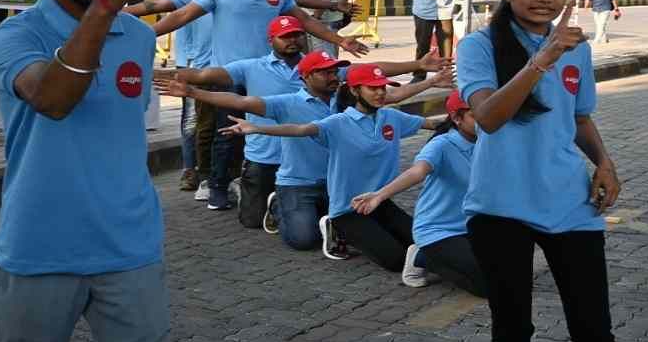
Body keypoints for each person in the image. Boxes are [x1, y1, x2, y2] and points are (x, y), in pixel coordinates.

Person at [0, 0, 166, 342]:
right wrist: (105, 8)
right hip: (39, 251)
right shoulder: (14, 37)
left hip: (130, 250)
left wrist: (111, 14)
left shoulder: (137, 36)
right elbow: (53, 98)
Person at [456, 0, 622, 342]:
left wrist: (604, 163)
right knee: (513, 333)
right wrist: (541, 60)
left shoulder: (576, 49)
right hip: (500, 207)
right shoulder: (478, 45)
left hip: (570, 204)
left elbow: (580, 118)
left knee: (594, 333)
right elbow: (487, 117)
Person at [148, 0, 369, 212]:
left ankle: (263, 183)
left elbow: (305, 20)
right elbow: (183, 15)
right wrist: (145, 35)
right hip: (227, 75)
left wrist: (341, 41)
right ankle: (217, 186)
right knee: (225, 133)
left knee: (267, 132)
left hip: (265, 75)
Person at [158, 49, 449, 249]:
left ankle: (329, 217)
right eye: (324, 72)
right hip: (299, 182)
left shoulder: (346, 100)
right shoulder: (286, 102)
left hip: (337, 184)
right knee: (302, 240)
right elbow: (243, 103)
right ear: (305, 77)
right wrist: (195, 92)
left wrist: (431, 79)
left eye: (335, 71)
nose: (333, 76)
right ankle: (278, 204)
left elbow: (390, 92)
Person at [225, 63, 445, 276]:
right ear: (355, 90)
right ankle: (332, 224)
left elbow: (434, 125)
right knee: (395, 260)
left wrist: (468, 116)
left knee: (422, 239)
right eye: (373, 88)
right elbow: (300, 129)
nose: (380, 93)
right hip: (348, 209)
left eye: (382, 87)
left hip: (378, 201)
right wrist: (256, 128)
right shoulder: (337, 123)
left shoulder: (392, 117)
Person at [351, 90, 487, 296]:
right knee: (489, 287)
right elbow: (418, 171)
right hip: (439, 230)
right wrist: (379, 195)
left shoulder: (489, 141)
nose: (486, 120)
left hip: (474, 227)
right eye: (477, 115)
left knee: (511, 272)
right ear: (457, 118)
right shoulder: (442, 145)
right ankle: (423, 257)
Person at [132, 0, 237, 192]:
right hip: (194, 61)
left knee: (228, 122)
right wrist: (107, 7)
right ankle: (193, 172)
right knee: (194, 123)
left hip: (229, 64)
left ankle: (224, 176)